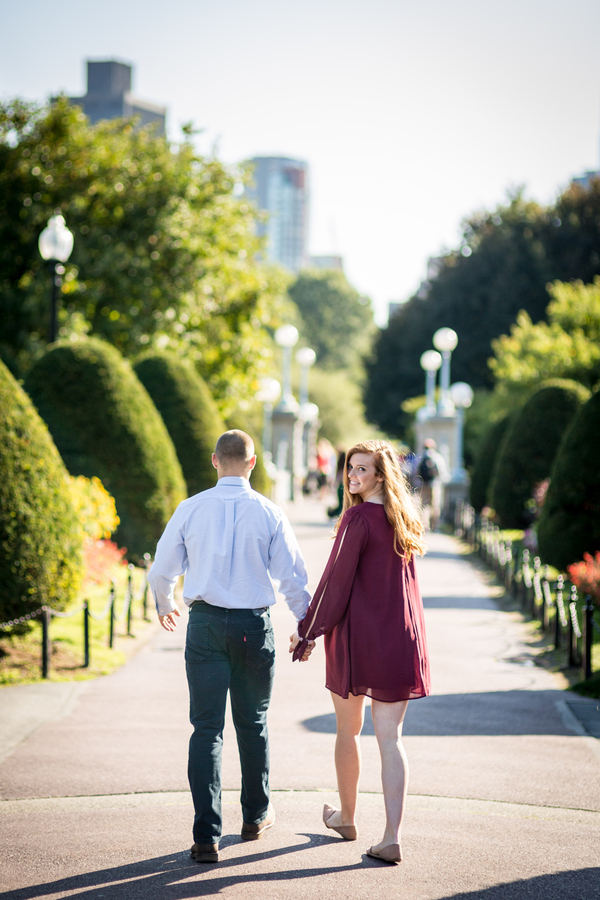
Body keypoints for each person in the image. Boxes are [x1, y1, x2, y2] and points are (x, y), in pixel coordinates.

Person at [148, 430, 313, 864]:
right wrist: (306, 626)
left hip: (204, 624)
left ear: (214, 460)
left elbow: (161, 568)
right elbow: (293, 578)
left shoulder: (190, 508)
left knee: (206, 729)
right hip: (252, 626)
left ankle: (206, 834)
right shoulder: (269, 512)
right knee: (252, 723)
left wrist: (165, 603)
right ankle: (256, 815)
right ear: (253, 462)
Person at [290, 440, 430, 864]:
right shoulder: (403, 518)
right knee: (391, 738)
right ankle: (390, 837)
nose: (352, 476)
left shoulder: (358, 517)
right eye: (350, 467)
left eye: (362, 469)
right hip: (401, 638)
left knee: (348, 731)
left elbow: (335, 582)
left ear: (380, 476)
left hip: (358, 640)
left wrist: (307, 632)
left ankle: (348, 818)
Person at [416, 438, 448, 531]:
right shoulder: (437, 457)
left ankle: (425, 526)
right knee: (435, 506)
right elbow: (442, 473)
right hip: (435, 485)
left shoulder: (420, 457)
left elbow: (415, 472)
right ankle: (435, 526)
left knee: (424, 506)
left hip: (422, 485)